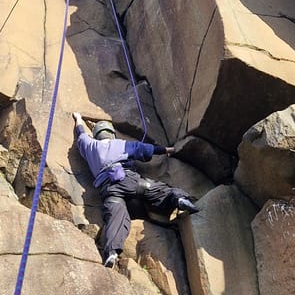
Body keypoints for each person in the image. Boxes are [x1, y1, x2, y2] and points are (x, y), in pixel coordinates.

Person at [72, 112, 200, 268]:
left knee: (116, 218)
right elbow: (143, 149)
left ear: (97, 135)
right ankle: (179, 199)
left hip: (110, 189)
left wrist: (78, 119)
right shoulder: (120, 144)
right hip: (130, 180)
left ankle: (112, 252)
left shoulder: (90, 146)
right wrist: (166, 150)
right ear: (111, 134)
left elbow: (80, 134)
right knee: (159, 190)